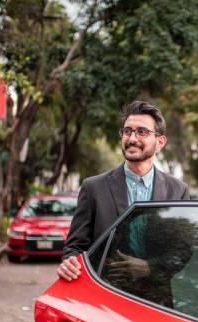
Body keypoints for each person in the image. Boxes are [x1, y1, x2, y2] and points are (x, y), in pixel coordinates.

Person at [57, 100, 189, 281]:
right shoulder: (93, 188)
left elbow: (182, 251)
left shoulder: (178, 191)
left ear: (160, 142)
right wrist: (70, 263)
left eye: (142, 132)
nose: (132, 138)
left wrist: (149, 268)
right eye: (127, 131)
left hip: (157, 299)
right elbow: (74, 248)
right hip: (104, 295)